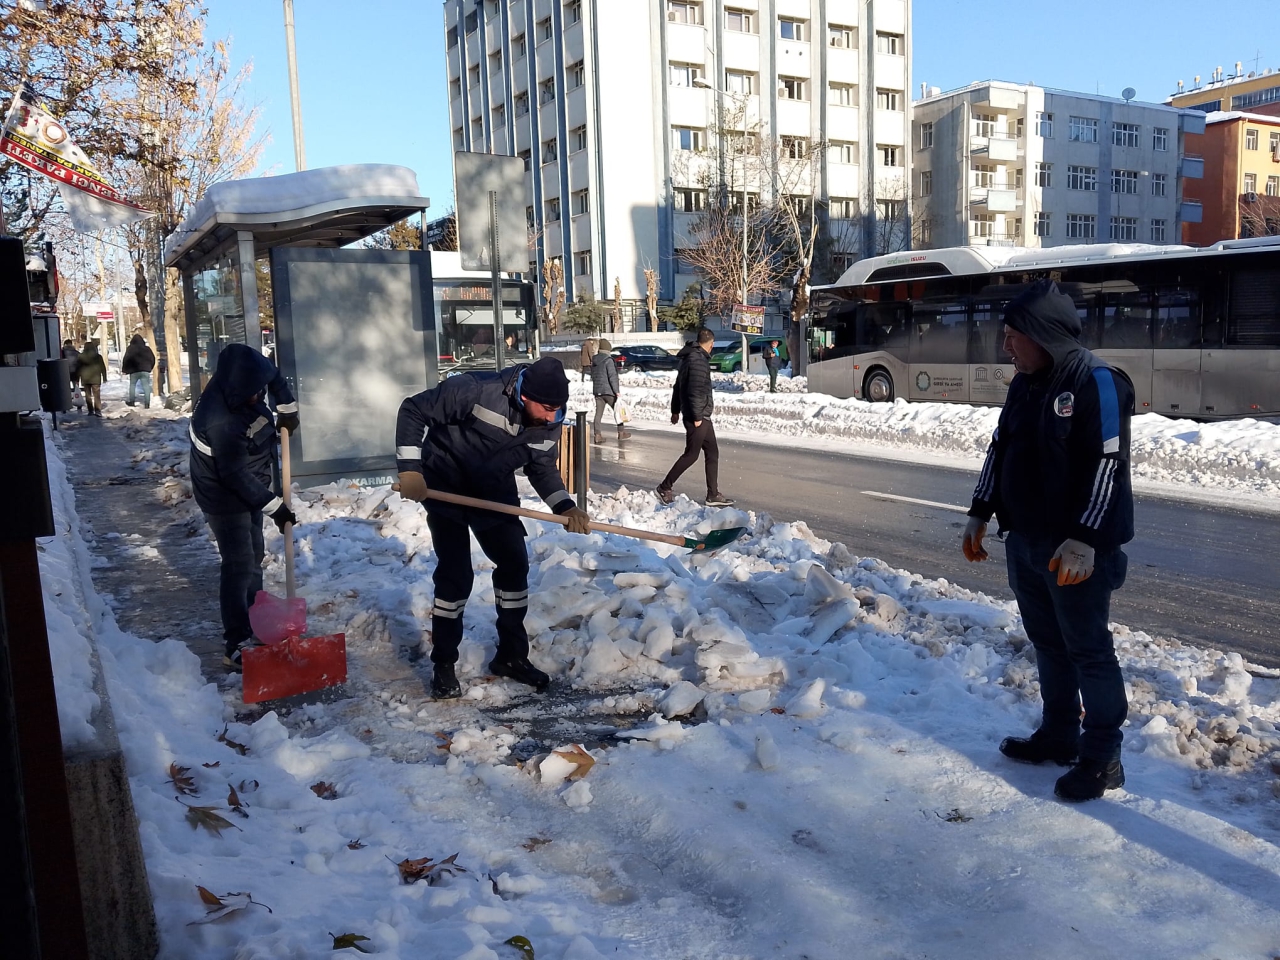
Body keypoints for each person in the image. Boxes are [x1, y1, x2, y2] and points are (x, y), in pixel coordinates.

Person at [962, 280, 1135, 803]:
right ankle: (1060, 734)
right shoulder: (1024, 383)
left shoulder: (1097, 382)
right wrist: (979, 511)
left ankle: (1103, 756)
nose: (1006, 346)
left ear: (1043, 335)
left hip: (1077, 552)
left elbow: (1109, 464)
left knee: (1089, 651)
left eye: (1014, 335)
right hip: (1028, 542)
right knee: (1048, 644)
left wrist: (1084, 539)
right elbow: (1000, 448)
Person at [393, 356, 591, 700]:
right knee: (456, 576)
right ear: (524, 395)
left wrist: (565, 505)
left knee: (514, 565)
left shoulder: (550, 421)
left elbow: (541, 467)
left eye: (558, 410)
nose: (552, 417)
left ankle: (512, 657)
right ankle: (443, 664)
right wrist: (411, 468)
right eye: (546, 409)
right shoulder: (475, 390)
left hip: (493, 490)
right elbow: (413, 409)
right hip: (444, 484)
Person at [188, 343, 300, 670]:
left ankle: (258, 621)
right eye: (253, 393)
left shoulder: (245, 376)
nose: (259, 395)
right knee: (238, 563)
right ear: (238, 389)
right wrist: (275, 506)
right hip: (223, 493)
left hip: (251, 479)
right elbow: (234, 475)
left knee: (255, 555)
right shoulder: (220, 420)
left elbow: (273, 376)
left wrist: (287, 408)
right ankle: (236, 641)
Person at [656, 328, 733, 508]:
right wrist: (697, 416)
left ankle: (712, 494)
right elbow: (695, 390)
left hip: (700, 414)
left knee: (712, 452)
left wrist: (675, 410)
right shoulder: (697, 360)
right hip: (697, 415)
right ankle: (664, 487)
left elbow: (678, 387)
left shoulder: (689, 358)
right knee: (691, 454)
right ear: (711, 344)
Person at [590, 339, 630, 443]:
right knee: (618, 411)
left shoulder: (594, 361)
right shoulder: (609, 360)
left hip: (598, 391)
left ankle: (597, 435)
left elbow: (593, 376)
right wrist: (617, 391)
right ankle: (621, 433)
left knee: (598, 414)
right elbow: (613, 377)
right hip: (609, 391)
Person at [121, 333, 156, 408]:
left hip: (134, 371)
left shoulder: (130, 348)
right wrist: (150, 367)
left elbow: (126, 359)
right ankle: (147, 403)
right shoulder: (147, 349)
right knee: (146, 386)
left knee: (132, 385)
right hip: (145, 370)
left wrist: (124, 369)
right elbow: (152, 359)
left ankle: (132, 401)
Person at [77, 340, 108, 417]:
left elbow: (78, 368)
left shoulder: (81, 356)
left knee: (88, 395)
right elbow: (102, 367)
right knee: (97, 395)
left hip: (85, 378)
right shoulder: (98, 356)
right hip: (96, 378)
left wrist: (77, 377)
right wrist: (104, 377)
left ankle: (90, 410)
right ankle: (97, 411)